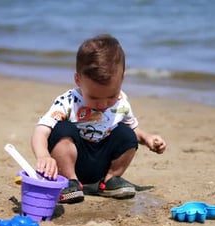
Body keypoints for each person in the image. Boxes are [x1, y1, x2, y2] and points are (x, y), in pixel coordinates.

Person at [31, 34, 166, 204]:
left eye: (111, 96)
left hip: (101, 162)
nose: (103, 104)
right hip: (72, 161)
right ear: (78, 80)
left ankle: (109, 180)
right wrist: (43, 155)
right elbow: (41, 131)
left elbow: (133, 129)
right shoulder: (67, 101)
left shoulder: (122, 102)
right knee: (63, 128)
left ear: (122, 78)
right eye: (94, 97)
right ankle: (70, 182)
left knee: (126, 134)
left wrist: (147, 138)